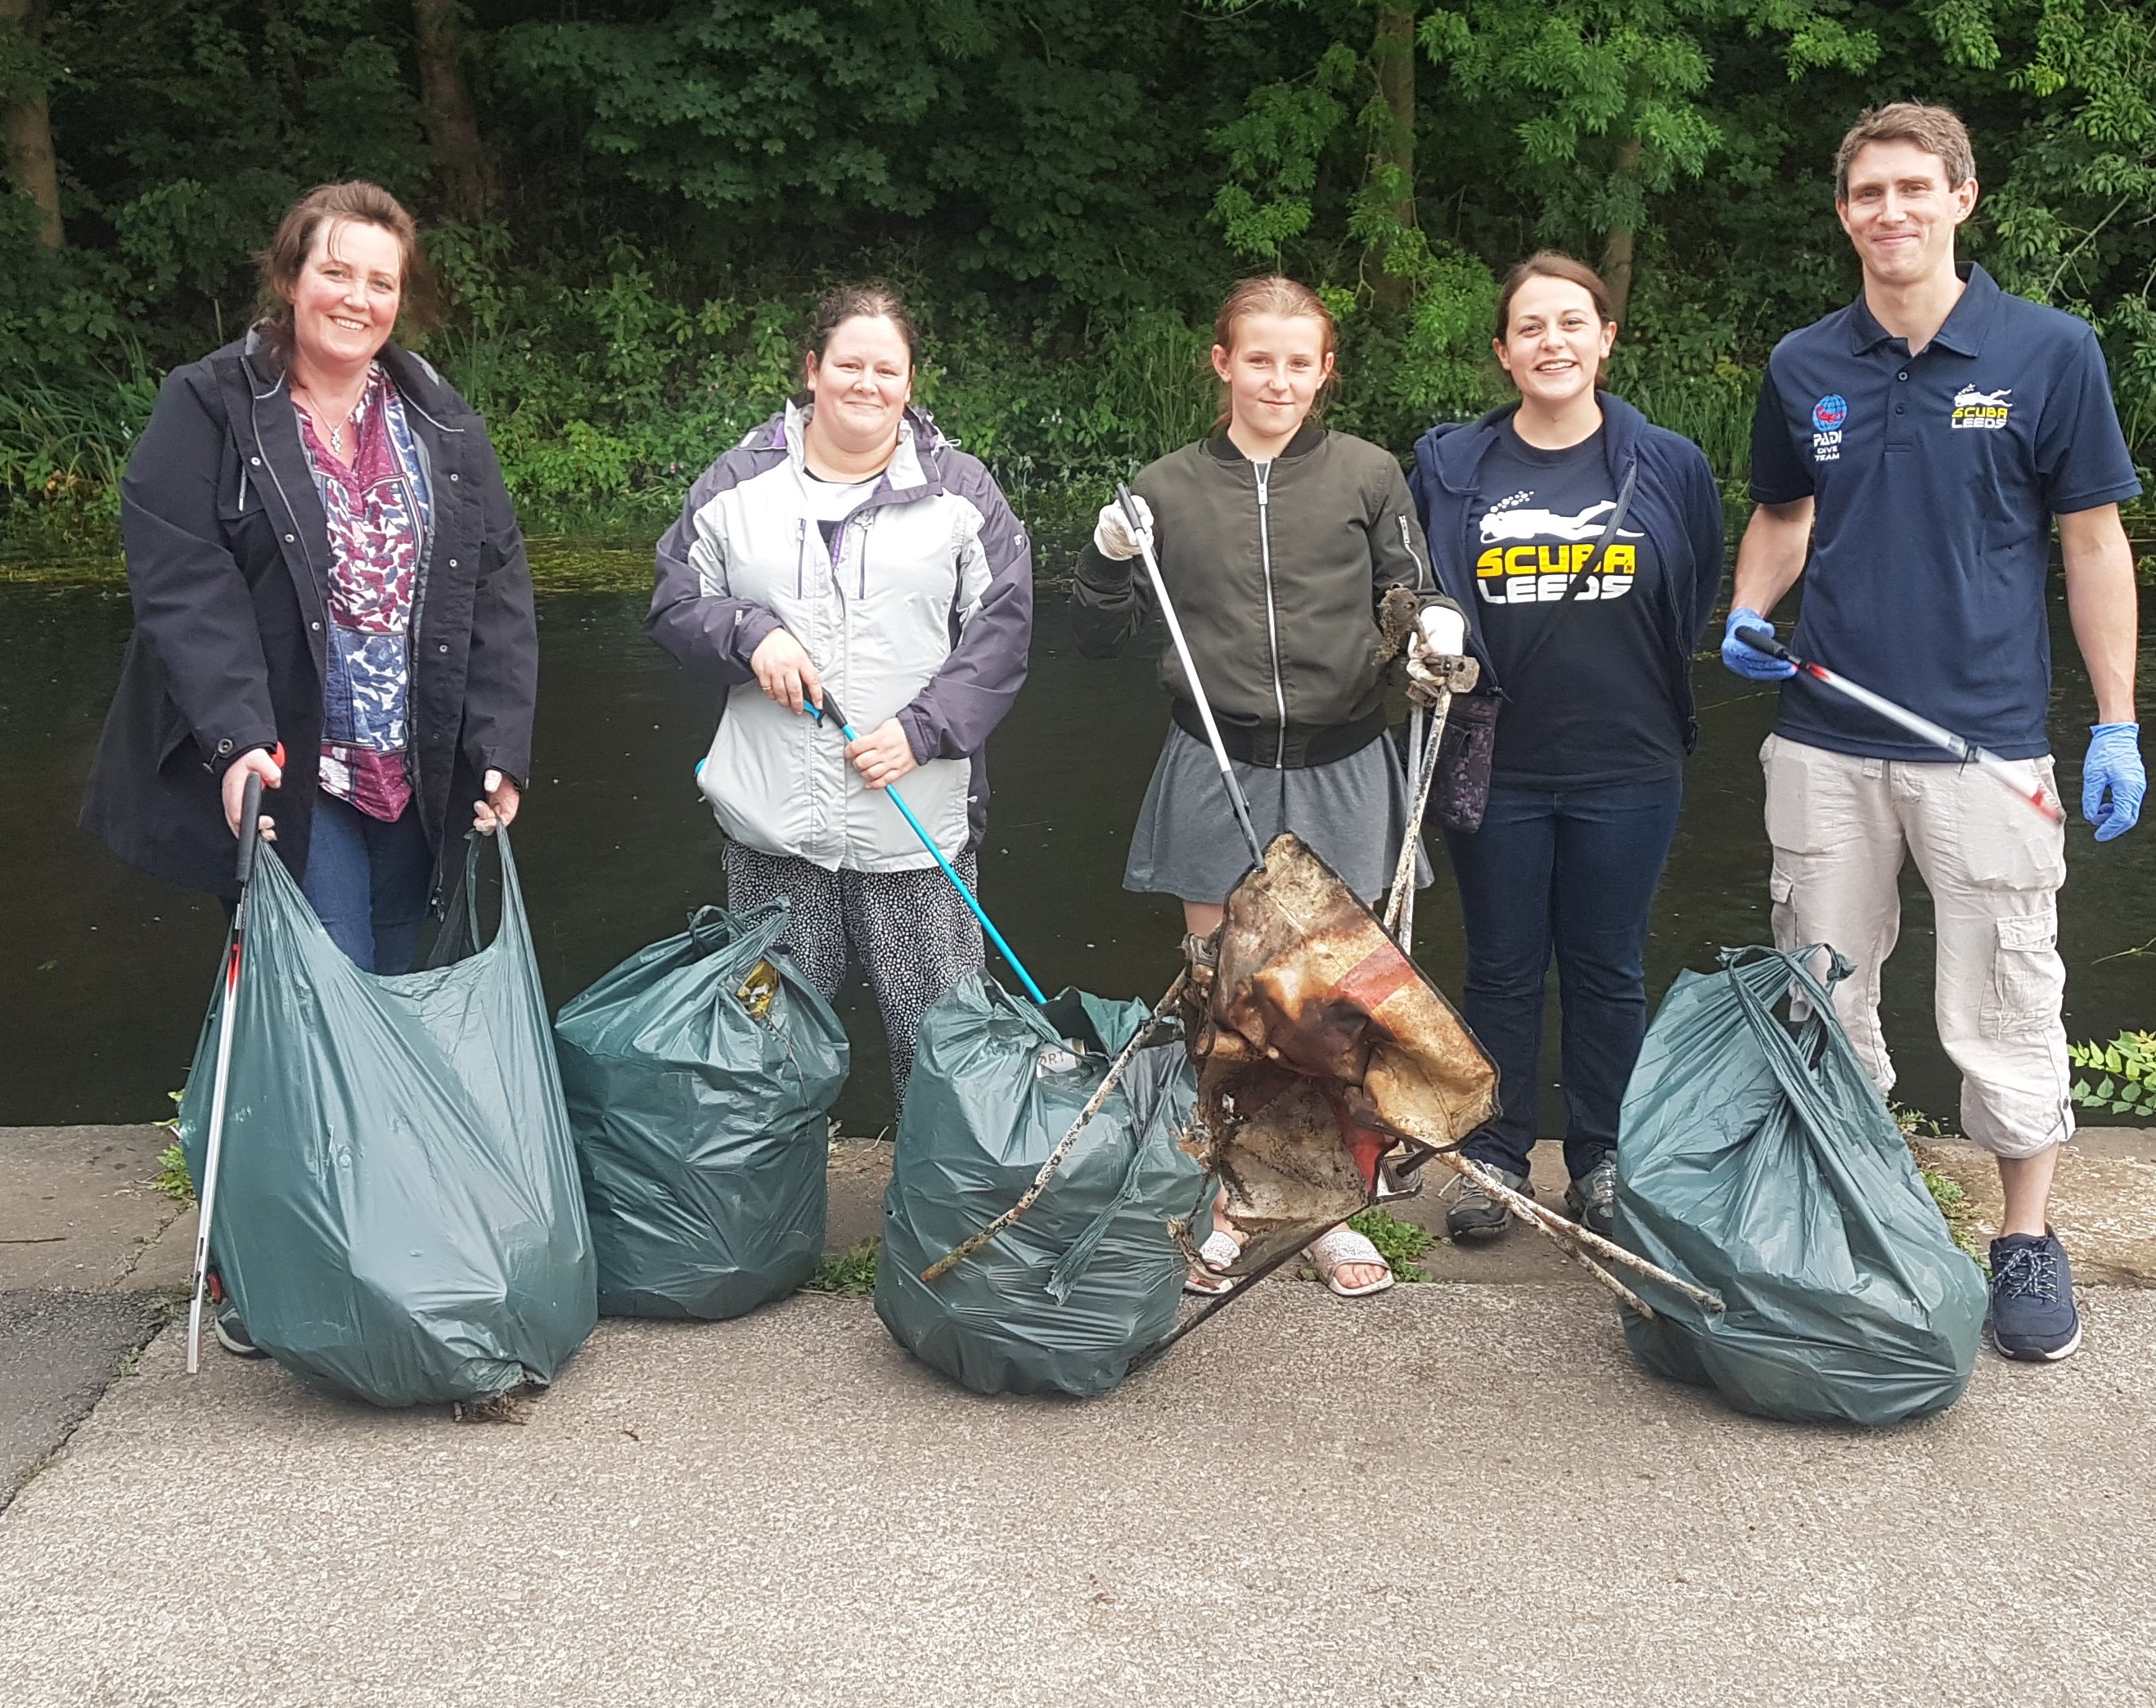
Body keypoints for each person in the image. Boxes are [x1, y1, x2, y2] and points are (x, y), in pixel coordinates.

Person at [1722, 101, 2146, 1364]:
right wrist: (1749, 608)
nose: (1890, 213)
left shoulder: (2051, 352)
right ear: (1843, 212)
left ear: (1964, 198)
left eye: (1915, 188)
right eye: (1868, 194)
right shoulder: (1807, 364)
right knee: (1823, 990)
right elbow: (1784, 512)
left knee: (2007, 995)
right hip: (1824, 740)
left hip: (1986, 745)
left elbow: (2092, 543)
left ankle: (2024, 1240)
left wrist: (2115, 722)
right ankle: (1858, 1209)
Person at [83, 182, 535, 1355]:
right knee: (306, 1006)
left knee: (387, 1000)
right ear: (291, 277)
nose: (358, 297)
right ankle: (262, 1265)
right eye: (337, 271)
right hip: (289, 762)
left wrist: (498, 746)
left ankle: (371, 1244)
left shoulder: (440, 419)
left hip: (412, 762)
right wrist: (239, 740)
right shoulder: (211, 405)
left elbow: (496, 587)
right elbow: (183, 583)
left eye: (381, 280)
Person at [1075, 275, 1435, 1299]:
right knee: (1225, 996)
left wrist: (1437, 629)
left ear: (1325, 372)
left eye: (1300, 362)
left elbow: (1410, 594)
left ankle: (1326, 1207)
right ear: (1223, 363)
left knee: (1327, 1002)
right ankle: (1228, 1199)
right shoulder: (1167, 487)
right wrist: (1104, 561)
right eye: (1259, 359)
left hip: (1342, 763)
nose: (1279, 380)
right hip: (1213, 763)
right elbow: (1096, 637)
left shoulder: (1369, 474)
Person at [1407, 252, 1725, 1248]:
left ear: (1605, 339)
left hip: (1630, 761)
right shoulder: (1453, 466)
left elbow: (1698, 584)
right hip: (1494, 759)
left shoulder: (1667, 462)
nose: (1554, 342)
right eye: (1532, 328)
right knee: (1501, 966)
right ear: (1505, 353)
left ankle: (1602, 1155)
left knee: (1607, 967)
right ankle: (1495, 1157)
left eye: (1572, 323)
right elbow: (1413, 581)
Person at [650, 284, 1033, 1093]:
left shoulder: (963, 492)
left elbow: (1002, 636)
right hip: (772, 828)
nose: (868, 384)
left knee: (942, 1047)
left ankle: (941, 1213)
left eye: (886, 368)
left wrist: (926, 729)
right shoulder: (732, 485)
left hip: (916, 823)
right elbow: (674, 607)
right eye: (849, 364)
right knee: (767, 1048)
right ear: (813, 369)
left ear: (910, 381)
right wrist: (749, 634)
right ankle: (772, 1207)